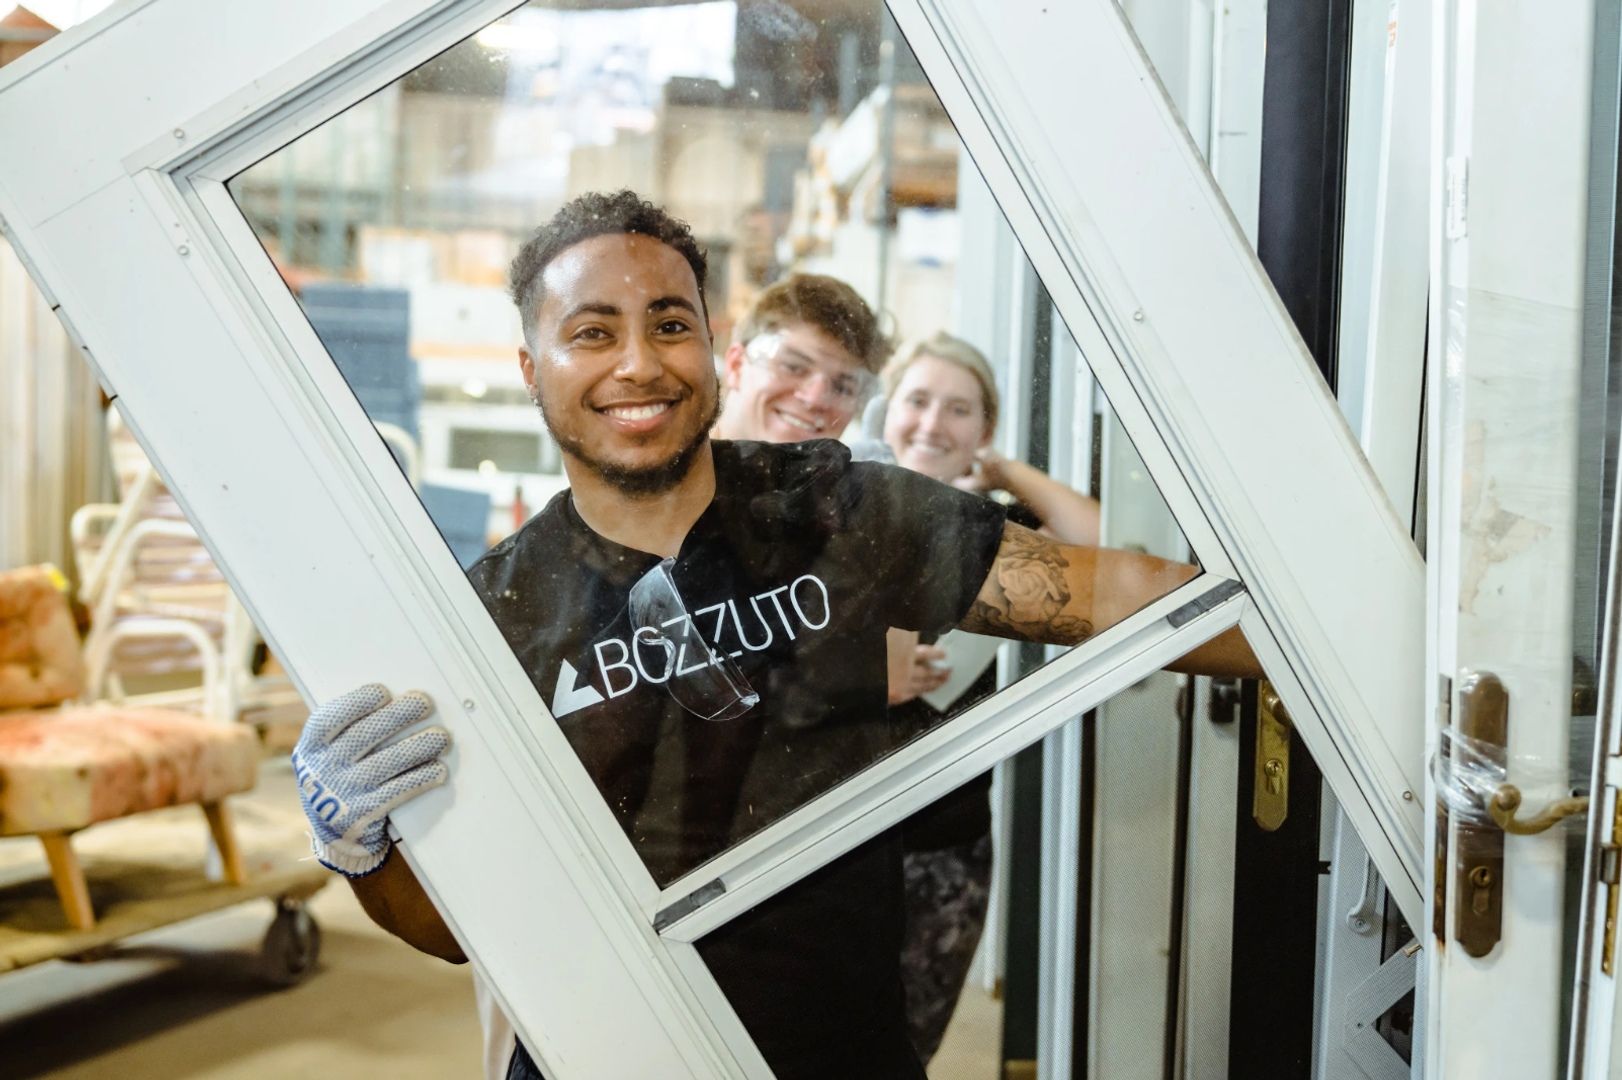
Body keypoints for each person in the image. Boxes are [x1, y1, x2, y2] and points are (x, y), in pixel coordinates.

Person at [291, 190, 1261, 1080]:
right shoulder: (494, 613)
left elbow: (1116, 597)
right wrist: (363, 849)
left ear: (712, 346)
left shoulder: (845, 511)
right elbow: (449, 929)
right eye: (592, 332)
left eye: (669, 324)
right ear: (530, 369)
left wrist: (1322, 656)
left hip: (836, 1050)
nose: (638, 362)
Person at [879, 332, 1101, 1060]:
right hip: (829, 842)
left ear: (984, 426)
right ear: (888, 408)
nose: (932, 423)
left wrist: (1004, 469)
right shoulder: (836, 508)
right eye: (917, 400)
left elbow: (1105, 539)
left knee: (907, 1052)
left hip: (946, 845)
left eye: (958, 409)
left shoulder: (1001, 532)